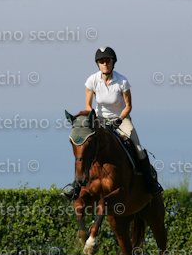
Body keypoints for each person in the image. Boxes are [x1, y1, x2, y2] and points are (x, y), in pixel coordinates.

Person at [62, 46, 162, 200]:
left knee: (138, 148)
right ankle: (76, 185)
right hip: (99, 119)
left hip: (121, 119)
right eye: (101, 61)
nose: (105, 64)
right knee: (84, 148)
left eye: (107, 61)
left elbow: (128, 106)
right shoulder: (92, 80)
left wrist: (119, 120)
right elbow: (88, 105)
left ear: (113, 62)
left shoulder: (122, 81)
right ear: (98, 64)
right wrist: (91, 119)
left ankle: (151, 183)